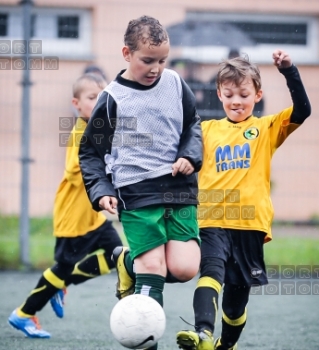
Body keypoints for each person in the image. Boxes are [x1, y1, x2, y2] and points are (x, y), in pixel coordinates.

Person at [79, 15, 203, 350]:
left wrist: (190, 156)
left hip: (179, 189)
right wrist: (102, 191)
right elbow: (91, 152)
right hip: (136, 193)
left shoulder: (176, 83)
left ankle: (125, 262)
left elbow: (193, 124)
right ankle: (146, 340)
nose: (156, 68)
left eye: (162, 60)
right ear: (126, 53)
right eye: (147, 60)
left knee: (184, 267)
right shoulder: (112, 98)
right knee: (153, 266)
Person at [176, 50, 311, 350]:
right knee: (210, 274)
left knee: (235, 304)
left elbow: (303, 110)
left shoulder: (266, 128)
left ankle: (227, 344)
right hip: (212, 221)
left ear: (258, 95)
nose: (236, 101)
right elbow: (185, 152)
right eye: (229, 94)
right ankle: (203, 334)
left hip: (250, 224)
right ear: (220, 96)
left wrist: (289, 70)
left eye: (243, 94)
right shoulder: (206, 129)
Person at [8, 73, 123, 338]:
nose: (99, 102)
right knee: (61, 267)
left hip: (94, 218)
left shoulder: (102, 129)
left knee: (115, 256)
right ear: (76, 103)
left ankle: (63, 284)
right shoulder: (81, 132)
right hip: (74, 217)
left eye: (102, 97)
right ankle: (24, 313)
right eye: (92, 98)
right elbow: (75, 172)